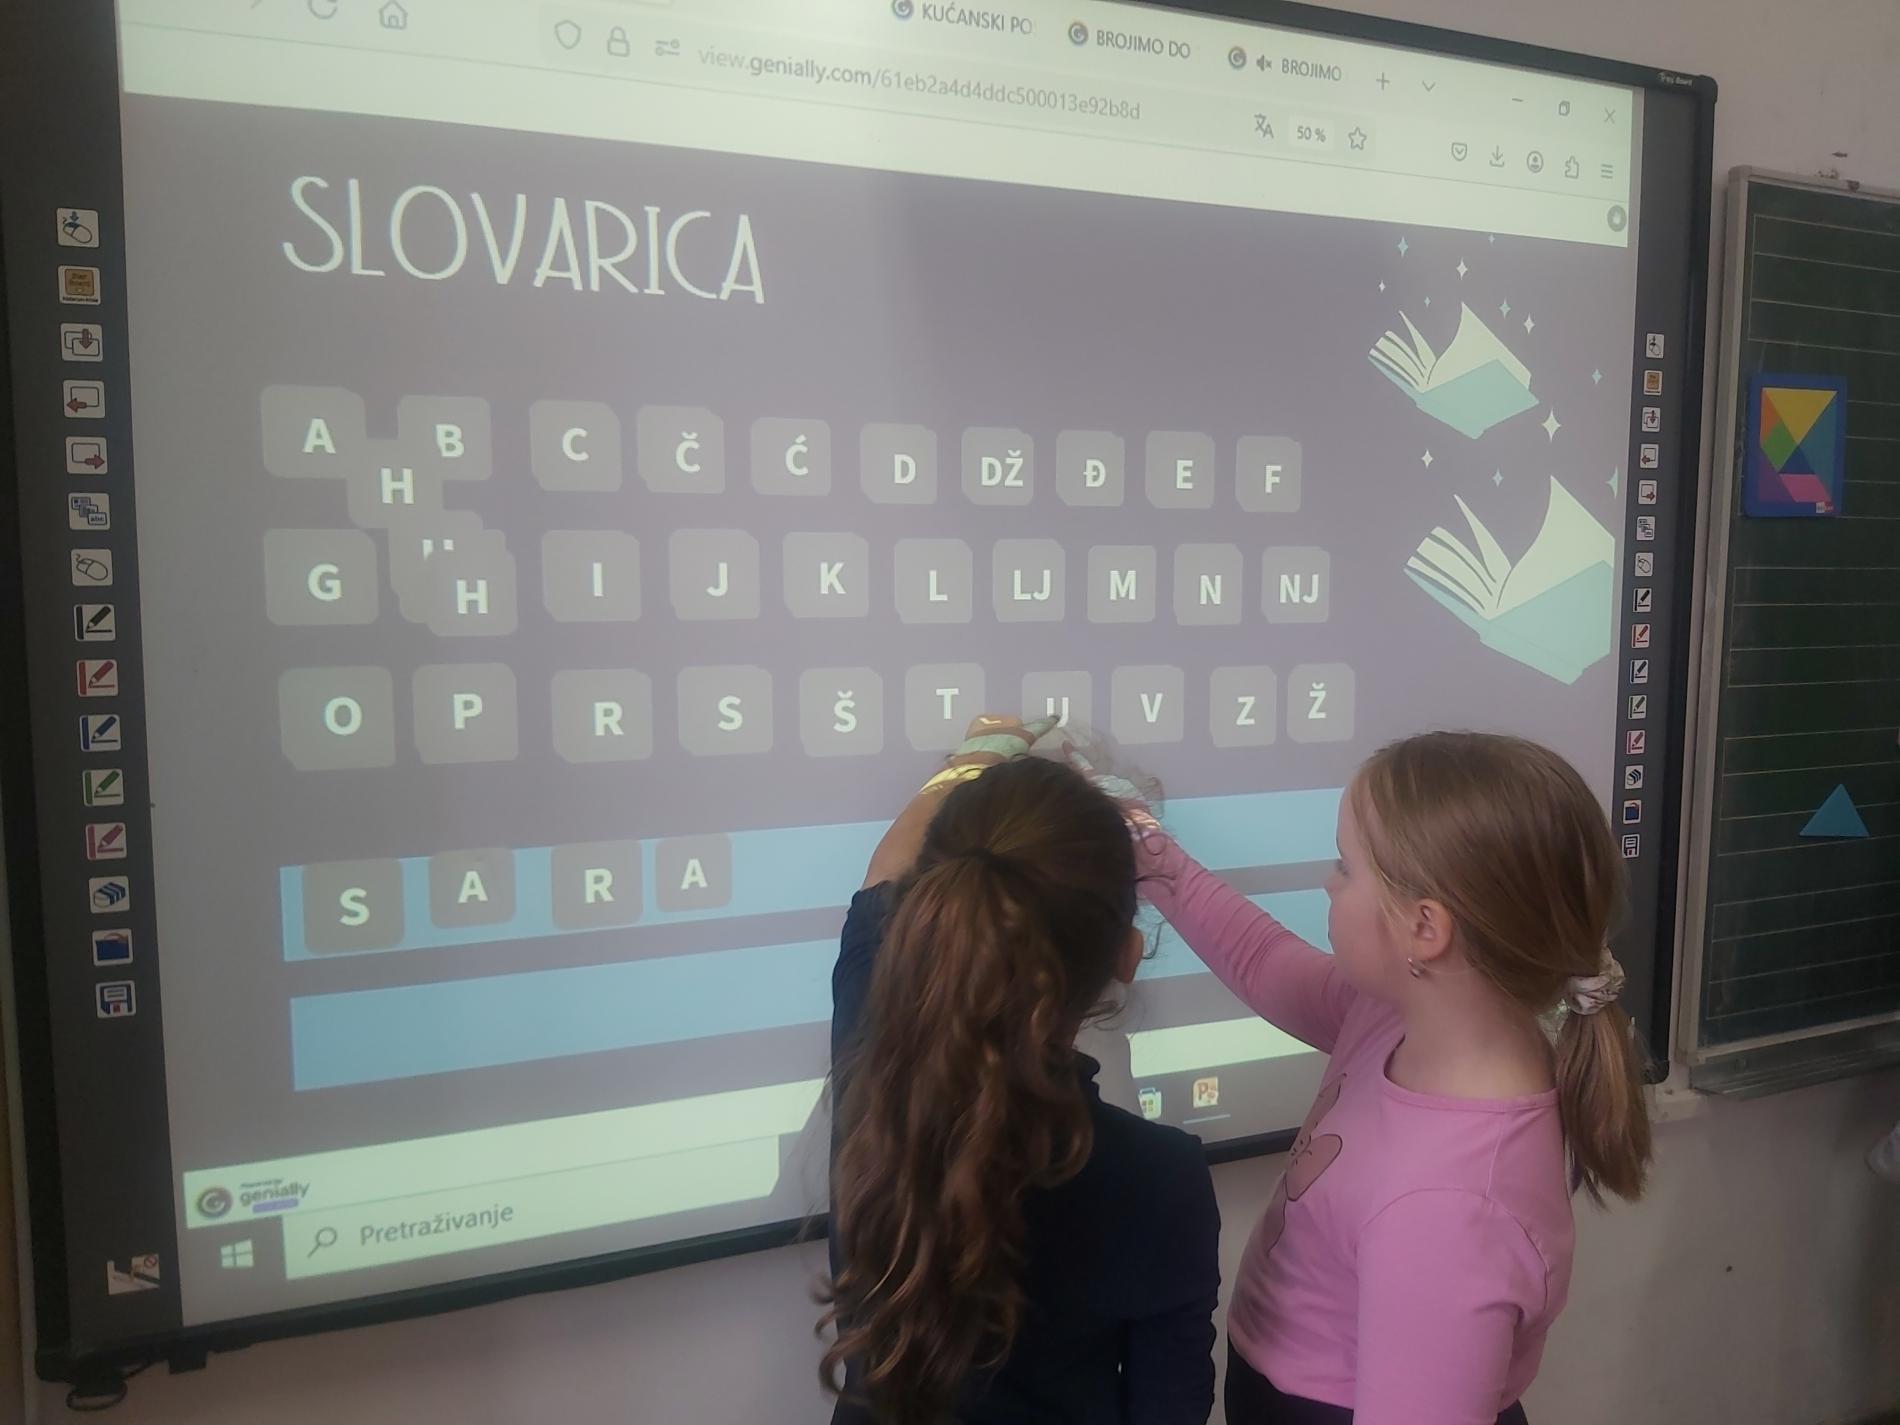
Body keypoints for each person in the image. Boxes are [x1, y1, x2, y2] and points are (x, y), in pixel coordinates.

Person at [1078, 731, 1653, 1425]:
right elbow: (1264, 962)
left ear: (1424, 928)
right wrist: (1152, 855)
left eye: (1346, 868)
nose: (1329, 881)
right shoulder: (1402, 1018)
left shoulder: (1447, 1211)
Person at [820, 716, 1221, 1425]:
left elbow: (883, 873)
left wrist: (982, 751)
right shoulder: (1162, 1177)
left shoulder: (874, 1081)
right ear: (1127, 956)